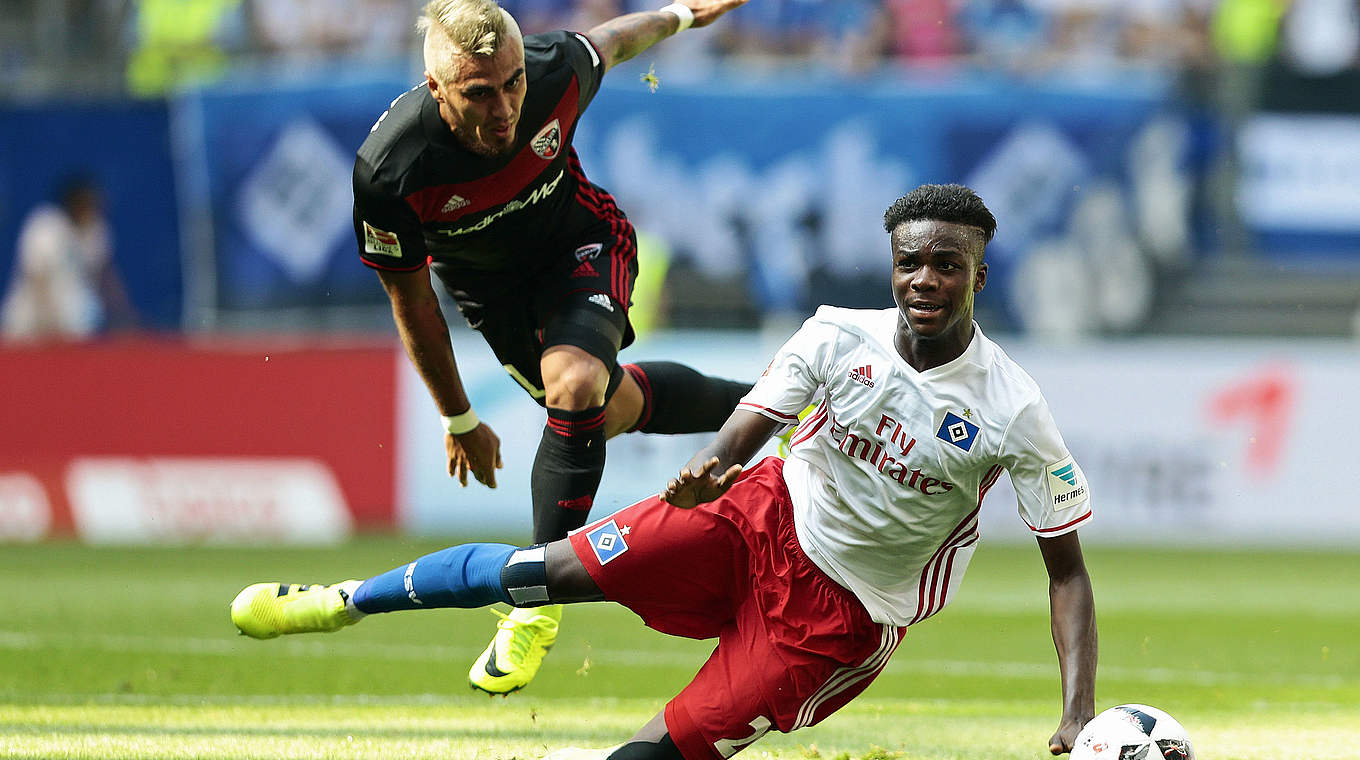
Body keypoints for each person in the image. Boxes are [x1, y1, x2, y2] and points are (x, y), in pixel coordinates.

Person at [234, 184, 1097, 759]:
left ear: (980, 274)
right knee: (540, 572)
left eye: (948, 265)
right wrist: (713, 469)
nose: (925, 280)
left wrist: (1075, 711)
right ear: (892, 266)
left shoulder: (1013, 409)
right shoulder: (838, 332)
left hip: (841, 618)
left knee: (662, 755)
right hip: (756, 517)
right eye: (911, 262)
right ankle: (341, 602)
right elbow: (752, 422)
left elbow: (1068, 574)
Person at [351, 0, 753, 696]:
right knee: (613, 406)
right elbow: (411, 301)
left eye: (512, 83)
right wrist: (459, 417)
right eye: (480, 92)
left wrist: (685, 14)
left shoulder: (554, 70)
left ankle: (533, 603)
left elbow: (619, 39)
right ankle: (775, 407)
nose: (505, 106)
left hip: (580, 244)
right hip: (495, 297)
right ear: (435, 87)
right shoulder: (391, 170)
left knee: (572, 387)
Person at [2, 176, 138, 342]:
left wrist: (126, 317)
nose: (94, 209)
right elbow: (37, 279)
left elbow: (106, 276)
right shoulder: (45, 226)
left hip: (70, 317)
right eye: (87, 203)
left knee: (84, 310)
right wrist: (48, 326)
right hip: (32, 314)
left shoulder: (96, 230)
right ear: (74, 204)